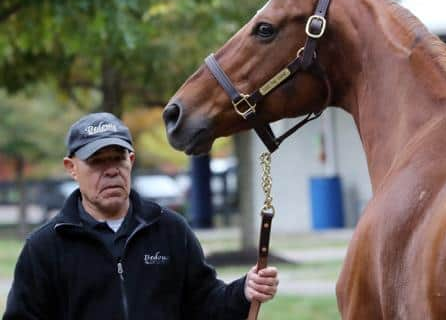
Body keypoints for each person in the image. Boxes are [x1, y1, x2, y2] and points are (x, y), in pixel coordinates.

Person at [3, 112, 279, 320]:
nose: (111, 170)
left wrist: (245, 291)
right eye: (97, 161)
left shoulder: (170, 229)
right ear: (71, 167)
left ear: (131, 161)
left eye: (118, 158)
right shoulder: (45, 247)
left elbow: (205, 304)